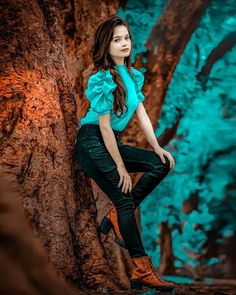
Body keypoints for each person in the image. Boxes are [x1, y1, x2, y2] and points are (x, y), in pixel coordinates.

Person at [73, 15, 176, 293]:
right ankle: (142, 269)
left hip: (111, 142)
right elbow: (104, 126)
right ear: (106, 46)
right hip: (93, 143)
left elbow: (141, 112)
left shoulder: (132, 76)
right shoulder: (101, 79)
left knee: (160, 164)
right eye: (117, 40)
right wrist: (119, 166)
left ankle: (117, 218)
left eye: (126, 38)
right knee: (125, 200)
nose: (124, 43)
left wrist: (157, 146)